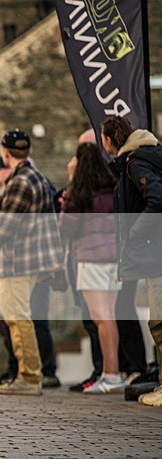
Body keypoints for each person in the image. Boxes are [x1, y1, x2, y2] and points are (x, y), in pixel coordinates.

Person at [0, 130, 64, 396]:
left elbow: (7, 224)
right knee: (22, 317)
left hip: (20, 260)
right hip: (35, 258)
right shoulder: (36, 177)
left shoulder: (20, 181)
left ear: (6, 153)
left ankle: (28, 376)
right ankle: (30, 373)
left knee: (17, 318)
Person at [101, 116, 162, 407]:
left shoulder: (135, 163)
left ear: (110, 140)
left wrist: (137, 234)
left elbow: (157, 199)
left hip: (155, 251)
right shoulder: (148, 156)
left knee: (160, 321)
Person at [59, 142, 124, 393]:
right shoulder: (112, 185)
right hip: (113, 257)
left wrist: (70, 185)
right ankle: (112, 371)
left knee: (101, 318)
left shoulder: (80, 190)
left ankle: (111, 374)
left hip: (91, 258)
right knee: (111, 316)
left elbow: (67, 228)